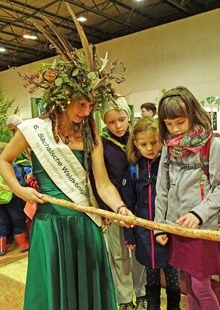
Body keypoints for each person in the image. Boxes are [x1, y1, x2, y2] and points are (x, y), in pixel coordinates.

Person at [0, 7, 132, 309]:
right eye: (81, 105)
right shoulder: (33, 130)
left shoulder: (91, 136)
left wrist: (120, 207)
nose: (87, 113)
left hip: (85, 222)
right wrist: (19, 190)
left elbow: (103, 184)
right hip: (51, 224)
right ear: (62, 102)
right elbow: (3, 161)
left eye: (90, 106)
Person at [154, 86, 220, 310]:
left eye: (179, 122)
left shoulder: (212, 145)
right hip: (176, 227)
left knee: (200, 286)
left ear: (192, 114)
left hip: (200, 228)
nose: (175, 129)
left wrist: (198, 214)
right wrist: (160, 225)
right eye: (169, 124)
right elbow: (162, 187)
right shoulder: (169, 146)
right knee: (188, 283)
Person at [121, 117, 181, 310]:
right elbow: (129, 203)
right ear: (136, 144)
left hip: (169, 228)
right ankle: (152, 306)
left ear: (162, 140)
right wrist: (129, 233)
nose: (150, 148)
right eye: (144, 144)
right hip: (144, 232)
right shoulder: (133, 169)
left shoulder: (170, 164)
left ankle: (174, 307)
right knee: (151, 272)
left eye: (154, 142)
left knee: (172, 273)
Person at [95, 97, 147, 310]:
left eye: (122, 119)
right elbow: (97, 177)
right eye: (111, 122)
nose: (117, 126)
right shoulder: (101, 144)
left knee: (140, 251)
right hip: (114, 205)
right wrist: (104, 208)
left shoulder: (139, 140)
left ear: (128, 117)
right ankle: (124, 298)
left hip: (139, 205)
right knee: (118, 253)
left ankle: (141, 292)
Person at [0, 142, 29, 255]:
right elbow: (19, 181)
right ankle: (23, 244)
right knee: (17, 220)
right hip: (11, 197)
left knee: (2, 221)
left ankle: (2, 248)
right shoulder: (11, 164)